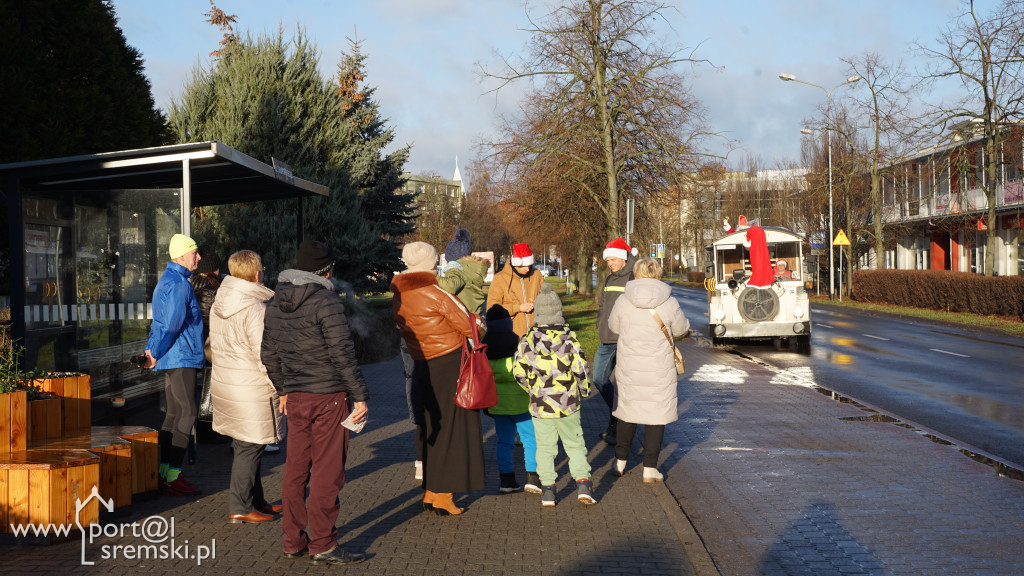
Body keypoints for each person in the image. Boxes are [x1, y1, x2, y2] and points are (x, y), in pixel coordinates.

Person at [261, 241, 368, 566]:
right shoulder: (326, 300)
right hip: (328, 397)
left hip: (296, 396)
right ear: (327, 270)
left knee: (295, 470)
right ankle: (322, 543)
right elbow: (342, 354)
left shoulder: (276, 301)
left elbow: (268, 353)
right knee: (327, 470)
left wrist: (283, 390)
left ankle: (293, 541)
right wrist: (360, 395)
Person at [391, 242, 486, 516]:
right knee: (453, 428)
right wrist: (481, 322)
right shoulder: (435, 292)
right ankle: (444, 495)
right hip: (449, 361)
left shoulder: (399, 293)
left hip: (422, 362)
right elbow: (471, 325)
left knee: (432, 425)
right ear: (431, 263)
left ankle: (432, 491)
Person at [210, 250, 283, 524]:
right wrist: (281, 387)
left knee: (249, 445)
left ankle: (256, 500)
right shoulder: (254, 308)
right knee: (251, 446)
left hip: (229, 383)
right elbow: (265, 355)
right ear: (257, 274)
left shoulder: (223, 301)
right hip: (251, 387)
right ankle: (240, 505)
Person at [512, 283, 596, 507]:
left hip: (541, 405)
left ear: (537, 314)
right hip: (568, 404)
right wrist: (584, 391)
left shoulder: (527, 342)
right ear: (559, 312)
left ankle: (548, 489)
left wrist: (532, 389)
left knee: (545, 448)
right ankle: (583, 484)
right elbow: (582, 371)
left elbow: (518, 371)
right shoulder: (569, 341)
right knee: (575, 444)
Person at [607, 258, 689, 483]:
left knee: (627, 411)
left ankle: (620, 461)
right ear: (658, 274)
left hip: (629, 366)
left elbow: (613, 327)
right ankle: (650, 469)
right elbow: (682, 329)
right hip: (659, 368)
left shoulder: (624, 300)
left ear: (636, 273)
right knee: (656, 415)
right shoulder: (669, 301)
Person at [142, 233, 205, 496]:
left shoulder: (165, 281)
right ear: (181, 256)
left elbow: (159, 323)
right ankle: (173, 475)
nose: (199, 257)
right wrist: (154, 350)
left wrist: (151, 350)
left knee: (173, 414)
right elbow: (171, 325)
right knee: (188, 413)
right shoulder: (180, 284)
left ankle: (165, 472)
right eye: (194, 253)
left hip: (171, 357)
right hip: (181, 357)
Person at [482, 304, 538, 494]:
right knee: (530, 439)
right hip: (522, 402)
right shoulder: (519, 343)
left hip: (497, 403)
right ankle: (532, 477)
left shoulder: (484, 347)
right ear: (508, 323)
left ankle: (506, 480)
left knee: (504, 442)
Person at [593, 237, 637, 446]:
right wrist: (600, 322)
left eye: (612, 260)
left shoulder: (634, 276)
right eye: (607, 260)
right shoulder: (609, 278)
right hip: (606, 339)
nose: (609, 263)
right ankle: (616, 415)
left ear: (622, 258)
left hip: (626, 340)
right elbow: (602, 304)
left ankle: (620, 425)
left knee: (626, 386)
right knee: (599, 379)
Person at [487, 243, 544, 337]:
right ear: (515, 263)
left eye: (529, 265)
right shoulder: (500, 278)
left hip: (537, 334)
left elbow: (549, 299)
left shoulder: (536, 275)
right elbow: (492, 310)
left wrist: (539, 303)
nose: (527, 269)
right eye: (524, 266)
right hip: (511, 336)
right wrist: (518, 308)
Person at [438, 228, 490, 316]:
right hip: (474, 315)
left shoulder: (456, 269)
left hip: (462, 316)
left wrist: (433, 278)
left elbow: (451, 286)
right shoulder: (471, 270)